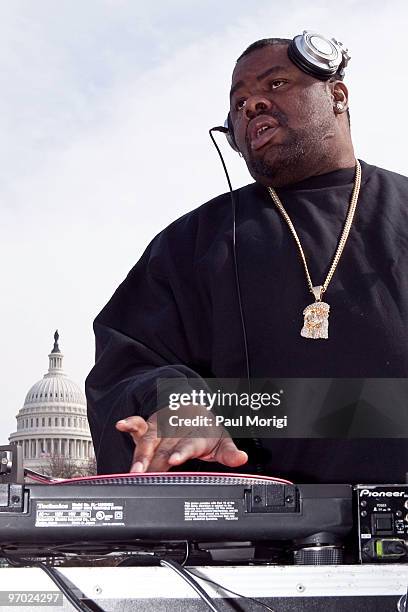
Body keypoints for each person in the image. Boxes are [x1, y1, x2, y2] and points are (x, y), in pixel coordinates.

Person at [85, 32, 408, 483]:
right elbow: (128, 360)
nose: (252, 106)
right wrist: (179, 406)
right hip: (242, 542)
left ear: (337, 95)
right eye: (238, 103)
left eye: (275, 85)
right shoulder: (190, 244)